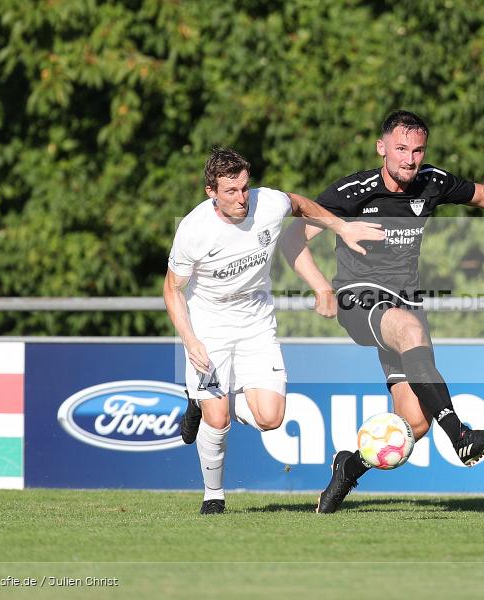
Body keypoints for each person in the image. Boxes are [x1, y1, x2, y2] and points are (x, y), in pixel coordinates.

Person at [298, 110, 484, 514]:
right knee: (408, 328)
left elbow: (481, 194)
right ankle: (460, 437)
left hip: (404, 303)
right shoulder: (353, 192)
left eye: (417, 150)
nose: (409, 159)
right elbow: (293, 239)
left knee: (412, 426)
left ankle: (348, 468)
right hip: (358, 297)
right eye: (401, 149)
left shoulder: (431, 182)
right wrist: (320, 287)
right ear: (381, 147)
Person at [164, 147, 383, 515]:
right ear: (211, 192)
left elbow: (299, 203)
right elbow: (172, 289)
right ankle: (213, 496)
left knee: (270, 418)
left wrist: (342, 227)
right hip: (209, 327)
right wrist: (190, 340)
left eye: (244, 188)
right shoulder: (193, 230)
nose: (241, 198)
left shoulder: (267, 203)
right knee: (218, 420)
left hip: (256, 323)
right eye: (230, 191)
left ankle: (201, 401)